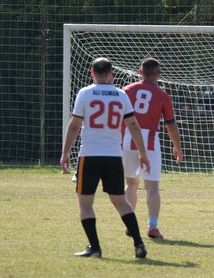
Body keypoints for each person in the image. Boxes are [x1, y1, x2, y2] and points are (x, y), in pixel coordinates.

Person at [60, 57, 150, 258]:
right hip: (113, 156)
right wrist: (143, 153)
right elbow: (133, 125)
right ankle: (139, 244)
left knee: (85, 204)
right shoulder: (121, 95)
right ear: (111, 74)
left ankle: (95, 248)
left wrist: (65, 153)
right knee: (121, 201)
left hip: (89, 155)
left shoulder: (85, 93)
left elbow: (75, 125)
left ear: (92, 73)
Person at [122, 58, 184, 239]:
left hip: (128, 139)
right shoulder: (163, 95)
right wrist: (177, 147)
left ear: (140, 72)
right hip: (150, 141)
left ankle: (129, 224)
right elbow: (170, 125)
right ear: (158, 73)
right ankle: (153, 227)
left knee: (131, 184)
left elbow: (119, 118)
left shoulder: (127, 90)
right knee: (152, 187)